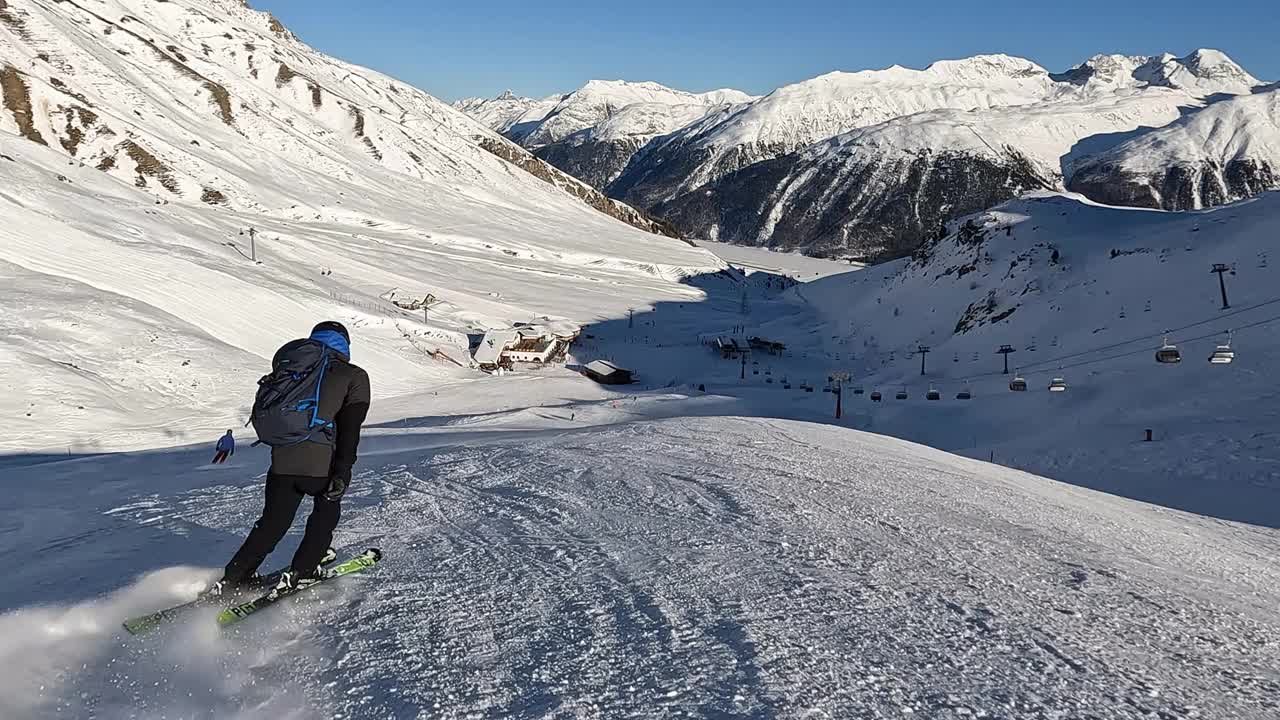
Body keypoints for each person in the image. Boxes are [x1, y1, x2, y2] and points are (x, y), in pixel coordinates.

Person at [209, 321, 371, 596]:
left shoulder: (292, 368)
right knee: (325, 513)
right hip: (322, 463)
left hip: (282, 462)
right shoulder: (352, 375)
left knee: (273, 522)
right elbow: (349, 431)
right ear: (344, 344)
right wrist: (343, 471)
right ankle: (303, 571)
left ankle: (236, 576)